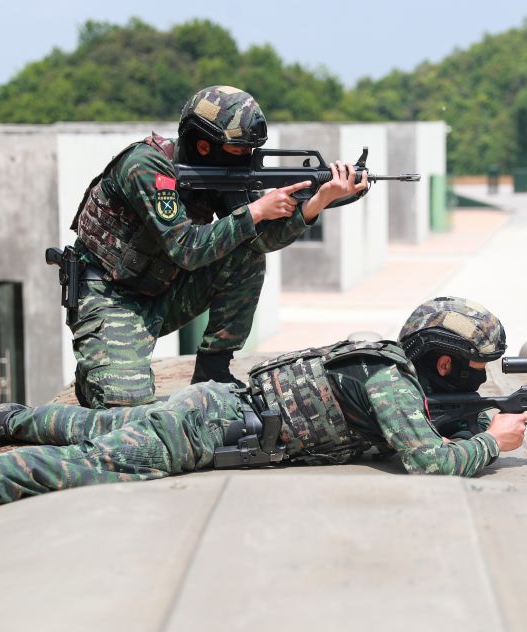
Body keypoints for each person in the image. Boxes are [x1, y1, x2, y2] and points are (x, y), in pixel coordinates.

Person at [0, 297, 527, 532]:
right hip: (212, 427)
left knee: (102, 425)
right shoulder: (391, 384)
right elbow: (429, 462)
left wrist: (476, 421)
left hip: (220, 406)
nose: (478, 377)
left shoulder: (390, 368)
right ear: (441, 365)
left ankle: (9, 419)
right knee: (95, 464)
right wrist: (493, 440)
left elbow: (428, 428)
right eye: (473, 366)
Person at [68, 84, 368, 407]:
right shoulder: (146, 167)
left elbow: (259, 240)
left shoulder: (218, 170)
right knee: (123, 408)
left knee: (245, 254)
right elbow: (186, 248)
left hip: (162, 291)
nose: (249, 158)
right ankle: (96, 371)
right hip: (110, 295)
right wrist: (254, 211)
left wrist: (319, 201)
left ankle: (213, 372)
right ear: (203, 145)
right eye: (241, 150)